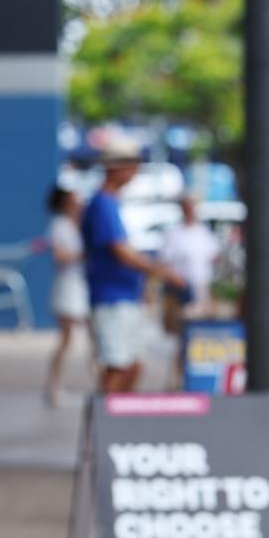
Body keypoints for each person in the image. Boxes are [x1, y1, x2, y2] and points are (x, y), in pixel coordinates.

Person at [81, 138, 186, 393]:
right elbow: (121, 252)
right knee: (118, 367)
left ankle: (118, 423)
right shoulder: (102, 204)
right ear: (116, 168)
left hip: (123, 297)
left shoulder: (110, 204)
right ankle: (106, 426)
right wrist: (160, 271)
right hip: (112, 299)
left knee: (133, 366)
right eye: (131, 166)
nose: (135, 172)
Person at [158, 193, 221, 388]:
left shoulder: (204, 233)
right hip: (182, 293)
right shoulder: (174, 234)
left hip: (202, 290)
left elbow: (214, 257)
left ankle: (193, 378)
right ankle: (176, 378)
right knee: (182, 336)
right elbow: (164, 264)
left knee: (199, 336)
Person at [44, 185, 91, 406]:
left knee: (94, 336)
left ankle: (100, 382)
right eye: (74, 200)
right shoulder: (59, 225)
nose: (78, 204)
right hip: (68, 286)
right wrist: (85, 254)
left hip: (85, 286)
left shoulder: (82, 225)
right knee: (66, 339)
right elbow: (60, 257)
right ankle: (53, 385)